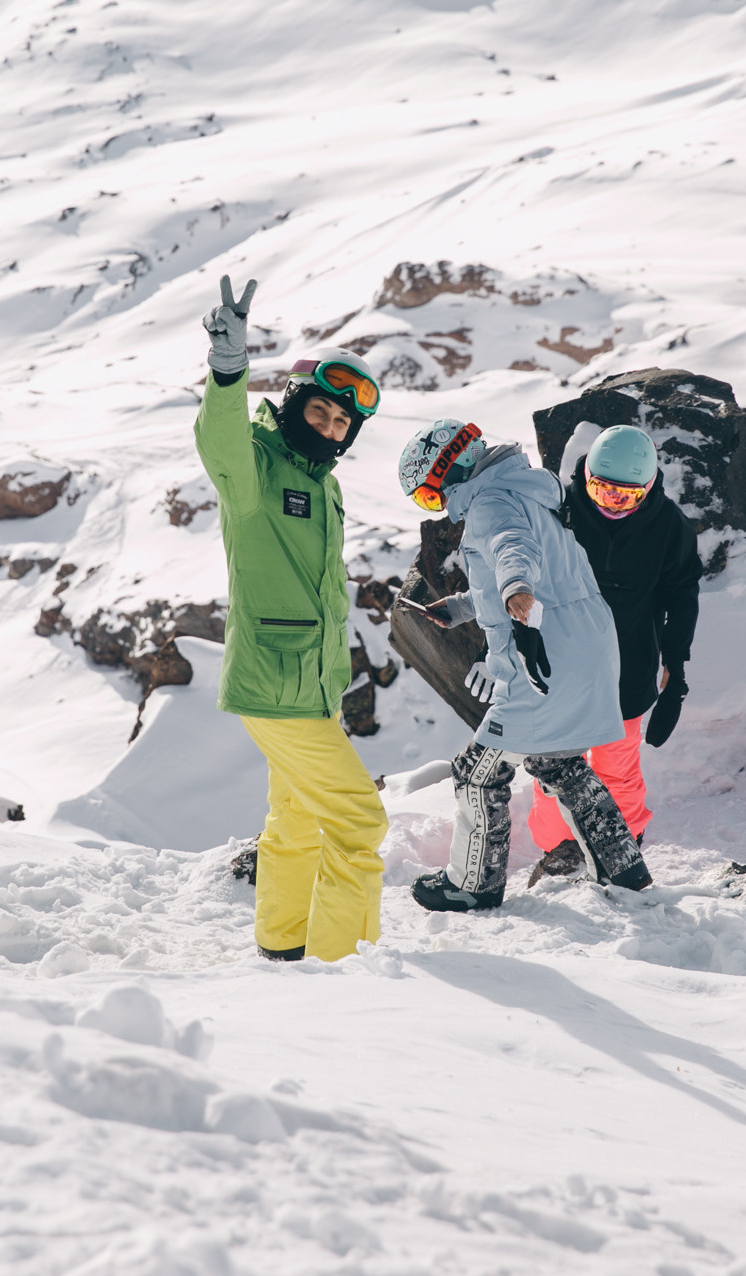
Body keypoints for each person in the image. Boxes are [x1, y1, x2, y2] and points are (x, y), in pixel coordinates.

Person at [195, 275, 388, 962]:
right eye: (321, 413)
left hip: (312, 684)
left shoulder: (321, 484)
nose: (331, 428)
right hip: (276, 684)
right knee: (360, 822)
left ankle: (283, 946)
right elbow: (221, 449)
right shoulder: (257, 469)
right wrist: (227, 375)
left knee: (298, 818)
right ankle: (344, 967)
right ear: (297, 404)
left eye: (343, 423)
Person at [397, 418, 653, 910]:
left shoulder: (491, 504)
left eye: (430, 496)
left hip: (545, 652)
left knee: (477, 771)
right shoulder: (527, 491)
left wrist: (516, 589)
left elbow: (513, 550)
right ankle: (624, 869)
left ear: (449, 471)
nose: (437, 507)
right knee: (558, 762)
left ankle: (474, 885)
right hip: (585, 643)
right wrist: (460, 607)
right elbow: (533, 566)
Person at [525, 423, 701, 885]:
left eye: (624, 496)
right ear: (585, 476)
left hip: (627, 670)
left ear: (647, 488)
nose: (608, 503)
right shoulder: (558, 511)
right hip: (558, 666)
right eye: (600, 489)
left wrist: (675, 667)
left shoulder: (668, 526)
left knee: (616, 766)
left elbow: (682, 594)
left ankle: (621, 842)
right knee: (551, 768)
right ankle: (560, 847)